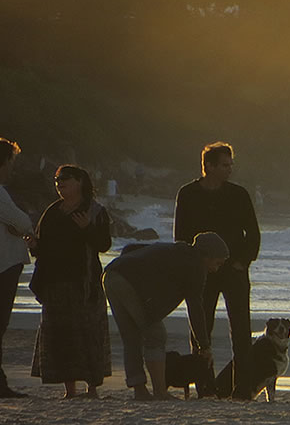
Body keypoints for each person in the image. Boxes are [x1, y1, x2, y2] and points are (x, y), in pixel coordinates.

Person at [174, 142, 260, 400]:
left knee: (241, 329)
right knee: (201, 329)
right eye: (225, 165)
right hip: (201, 271)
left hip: (234, 269)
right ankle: (205, 386)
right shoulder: (188, 194)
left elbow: (252, 233)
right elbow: (181, 236)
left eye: (231, 164)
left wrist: (242, 261)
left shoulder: (239, 194)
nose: (230, 169)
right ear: (208, 166)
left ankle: (242, 387)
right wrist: (189, 266)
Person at [103, 233, 229, 400]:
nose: (216, 269)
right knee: (156, 334)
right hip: (127, 282)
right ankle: (160, 391)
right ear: (207, 255)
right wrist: (204, 345)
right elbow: (195, 308)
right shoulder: (195, 266)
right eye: (217, 263)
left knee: (131, 336)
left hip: (111, 275)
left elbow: (132, 249)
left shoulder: (177, 250)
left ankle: (140, 390)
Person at [28, 164, 112, 398]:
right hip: (54, 282)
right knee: (61, 334)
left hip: (84, 283)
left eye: (64, 179)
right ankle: (69, 390)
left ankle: (92, 388)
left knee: (88, 334)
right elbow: (43, 247)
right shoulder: (53, 211)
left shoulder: (94, 211)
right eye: (56, 180)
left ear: (80, 182)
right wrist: (34, 246)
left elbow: (104, 244)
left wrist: (87, 228)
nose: (59, 183)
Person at [0, 138, 32, 398]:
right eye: (11, 162)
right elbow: (22, 222)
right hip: (4, 265)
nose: (12, 168)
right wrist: (22, 227)